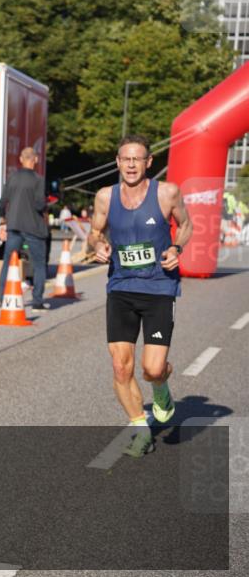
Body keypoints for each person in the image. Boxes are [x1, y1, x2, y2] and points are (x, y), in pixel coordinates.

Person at [88, 135, 192, 457]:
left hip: (159, 288)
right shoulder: (105, 197)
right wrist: (98, 246)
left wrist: (176, 248)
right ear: (117, 162)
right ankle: (140, 427)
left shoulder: (166, 193)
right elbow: (94, 232)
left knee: (152, 368)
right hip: (120, 286)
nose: (131, 165)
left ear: (149, 163)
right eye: (125, 159)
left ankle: (160, 386)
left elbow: (186, 225)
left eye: (137, 159)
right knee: (121, 367)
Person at [0, 147, 50, 312]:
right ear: (35, 160)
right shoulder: (38, 180)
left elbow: (2, 202)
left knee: (8, 262)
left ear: (21, 159)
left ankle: (3, 298)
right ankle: (37, 301)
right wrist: (47, 206)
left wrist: (3, 220)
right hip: (33, 227)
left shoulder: (12, 177)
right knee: (39, 264)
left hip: (14, 226)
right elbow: (39, 204)